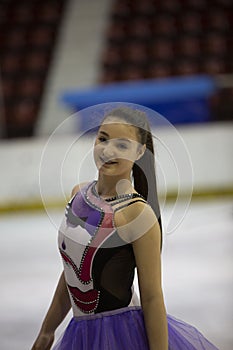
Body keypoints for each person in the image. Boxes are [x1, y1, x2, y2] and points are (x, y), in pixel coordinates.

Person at [32, 106, 218, 350]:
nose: (107, 150)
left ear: (140, 151)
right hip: (81, 334)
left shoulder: (137, 214)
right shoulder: (78, 194)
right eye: (103, 139)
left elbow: (152, 297)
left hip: (122, 335)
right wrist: (47, 331)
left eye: (121, 145)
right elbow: (71, 273)